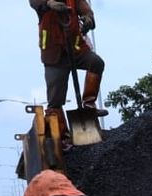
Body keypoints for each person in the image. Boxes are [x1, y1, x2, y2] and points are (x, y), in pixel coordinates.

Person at [29, 0, 107, 144]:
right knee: (55, 101)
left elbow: (87, 11)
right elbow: (35, 2)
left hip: (77, 51)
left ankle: (89, 106)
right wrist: (49, 3)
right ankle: (63, 138)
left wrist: (88, 19)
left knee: (96, 63)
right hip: (54, 56)